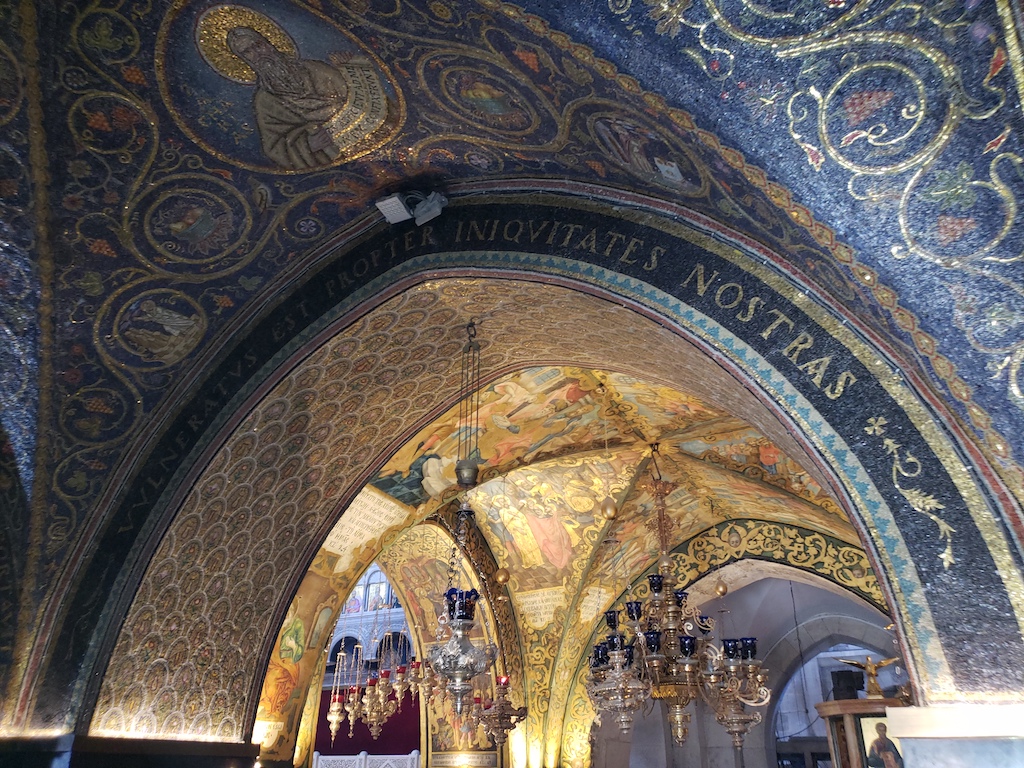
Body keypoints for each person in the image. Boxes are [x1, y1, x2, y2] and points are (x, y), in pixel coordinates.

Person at [225, 27, 390, 170]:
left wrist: (352, 69)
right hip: (335, 155)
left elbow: (356, 95)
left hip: (371, 134)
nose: (257, 54)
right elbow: (274, 146)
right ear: (245, 60)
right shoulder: (265, 101)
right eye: (248, 52)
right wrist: (307, 145)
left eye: (258, 45)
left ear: (269, 43)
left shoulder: (314, 68)